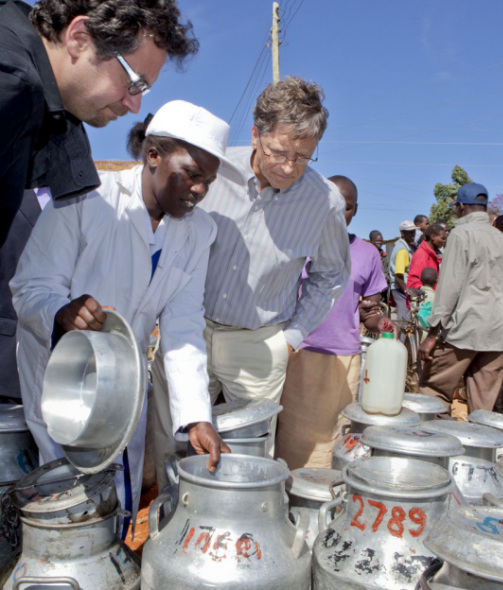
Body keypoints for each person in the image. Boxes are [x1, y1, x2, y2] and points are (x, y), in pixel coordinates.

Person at [10, 100, 242, 533]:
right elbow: (30, 288)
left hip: (125, 381)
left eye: (207, 181)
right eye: (191, 173)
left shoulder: (199, 232)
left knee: (119, 496)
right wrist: (61, 312)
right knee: (67, 503)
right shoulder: (86, 198)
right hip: (66, 381)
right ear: (152, 155)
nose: (198, 190)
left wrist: (196, 415)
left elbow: (184, 327)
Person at [150, 77, 350, 480]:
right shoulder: (213, 170)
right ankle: (169, 525)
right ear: (256, 134)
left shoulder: (324, 201)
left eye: (304, 156)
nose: (289, 166)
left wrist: (290, 339)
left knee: (247, 460)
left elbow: (331, 274)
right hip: (188, 333)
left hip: (260, 345)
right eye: (279, 151)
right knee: (171, 444)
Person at [0, 0, 197, 403]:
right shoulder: (12, 87)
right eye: (133, 82)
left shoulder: (53, 109)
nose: (135, 104)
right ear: (78, 38)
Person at [275, 176, 392, 469]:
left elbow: (369, 311)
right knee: (290, 434)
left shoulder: (367, 254)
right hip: (296, 353)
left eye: (348, 208)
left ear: (356, 210)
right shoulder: (296, 244)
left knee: (333, 437)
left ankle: (322, 499)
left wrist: (380, 323)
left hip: (343, 359)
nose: (340, 215)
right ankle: (285, 497)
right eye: (333, 206)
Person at [418, 183, 503, 414]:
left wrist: (432, 334)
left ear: (460, 207)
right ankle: (479, 449)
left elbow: (450, 286)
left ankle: (435, 447)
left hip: (463, 332)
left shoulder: (460, 234)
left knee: (434, 393)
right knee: (483, 409)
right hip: (497, 335)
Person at [389, 220, 417, 321]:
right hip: (400, 288)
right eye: (409, 232)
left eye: (413, 231)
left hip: (402, 287)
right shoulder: (402, 250)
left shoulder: (407, 247)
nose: (412, 234)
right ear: (402, 233)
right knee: (404, 320)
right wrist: (407, 292)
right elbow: (398, 276)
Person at [406, 223, 446, 290]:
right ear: (433, 237)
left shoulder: (434, 255)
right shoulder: (421, 254)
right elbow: (414, 281)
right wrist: (427, 295)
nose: (444, 241)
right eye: (442, 238)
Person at [369, 230, 389, 303]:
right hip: (371, 288)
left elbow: (386, 270)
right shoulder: (368, 254)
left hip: (383, 288)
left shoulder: (384, 255)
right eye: (377, 241)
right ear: (372, 241)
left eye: (381, 241)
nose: (380, 243)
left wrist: (386, 279)